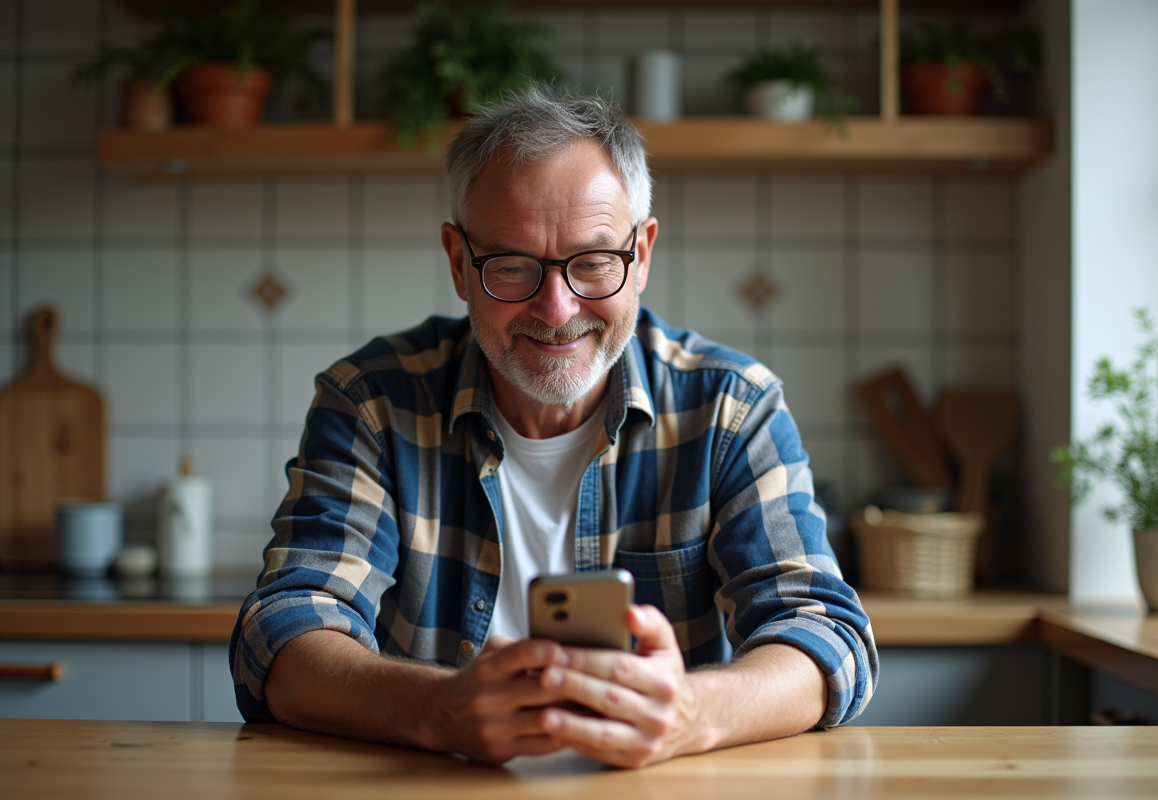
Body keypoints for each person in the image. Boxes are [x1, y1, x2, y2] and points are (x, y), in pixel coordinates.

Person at [230, 84, 878, 769]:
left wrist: (692, 714)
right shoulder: (372, 403)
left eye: (594, 263)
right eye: (512, 266)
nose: (557, 308)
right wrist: (442, 711)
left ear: (642, 255)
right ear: (459, 263)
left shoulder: (730, 408)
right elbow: (283, 634)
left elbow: (825, 636)